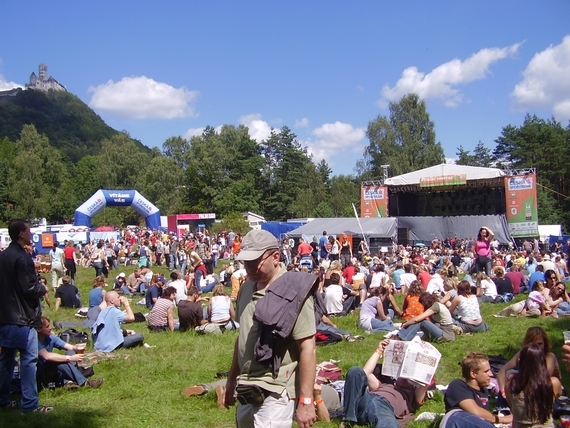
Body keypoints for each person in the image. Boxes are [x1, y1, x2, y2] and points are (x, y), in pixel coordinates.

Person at [224, 229, 317, 428]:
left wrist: (306, 401)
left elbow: (308, 348)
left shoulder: (294, 292)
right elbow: (243, 337)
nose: (249, 267)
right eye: (245, 262)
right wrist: (231, 379)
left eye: (255, 261)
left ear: (275, 257)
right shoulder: (247, 287)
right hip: (246, 387)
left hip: (277, 390)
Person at [0, 219, 51, 413]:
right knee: (29, 360)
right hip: (23, 317)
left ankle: (3, 399)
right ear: (21, 234)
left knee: (6, 360)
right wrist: (42, 287)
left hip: (5, 315)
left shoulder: (3, 256)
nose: (31, 234)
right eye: (29, 231)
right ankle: (29, 404)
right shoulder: (22, 257)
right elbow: (29, 287)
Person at [340, 339, 429, 428]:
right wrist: (379, 351)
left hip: (384, 409)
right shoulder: (385, 385)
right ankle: (349, 420)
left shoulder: (412, 395)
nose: (404, 377)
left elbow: (424, 385)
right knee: (355, 371)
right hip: (365, 400)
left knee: (389, 424)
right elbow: (366, 373)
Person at [441, 352, 512, 428]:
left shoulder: (484, 391)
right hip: (456, 419)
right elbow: (475, 412)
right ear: (473, 374)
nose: (491, 374)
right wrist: (503, 419)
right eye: (486, 371)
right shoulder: (458, 385)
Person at [36, 316, 103, 390]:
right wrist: (70, 358)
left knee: (70, 352)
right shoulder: (35, 341)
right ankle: (84, 382)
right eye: (47, 326)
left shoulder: (50, 338)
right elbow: (47, 356)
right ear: (39, 329)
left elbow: (69, 347)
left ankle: (68, 382)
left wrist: (77, 347)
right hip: (41, 373)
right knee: (60, 361)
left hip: (54, 370)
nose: (51, 328)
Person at [505, 343, 561, 427]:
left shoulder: (511, 384)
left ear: (521, 361)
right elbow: (558, 394)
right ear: (543, 362)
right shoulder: (553, 383)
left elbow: (511, 404)